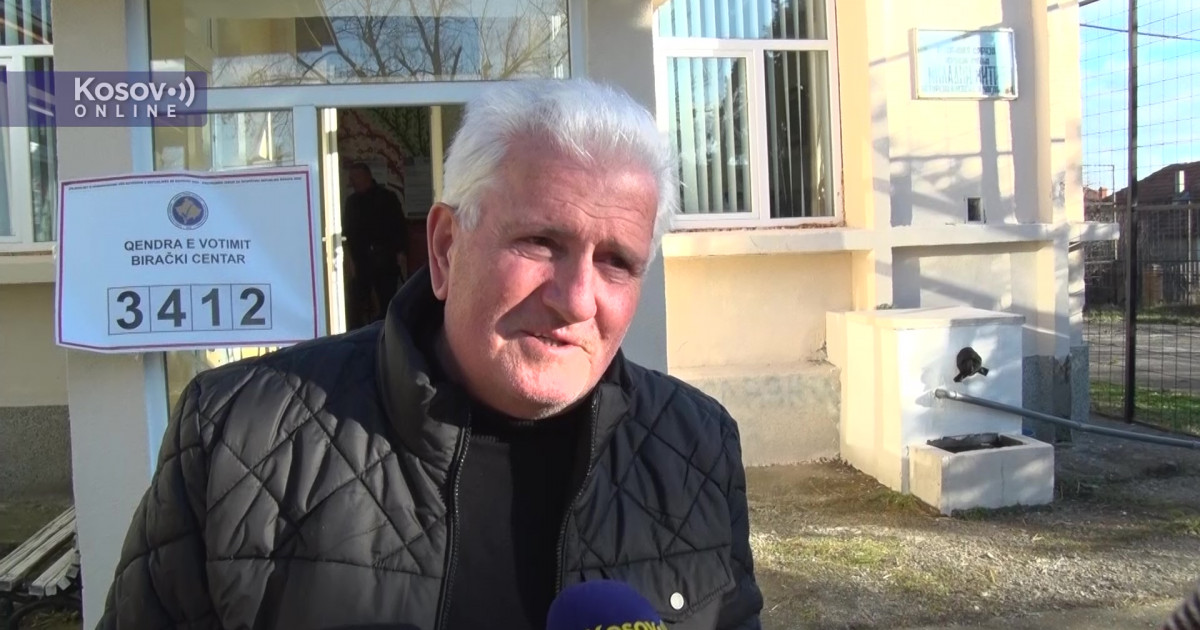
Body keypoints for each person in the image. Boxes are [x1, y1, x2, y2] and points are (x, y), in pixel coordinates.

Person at [97, 78, 763, 630]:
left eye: (616, 260)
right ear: (445, 247)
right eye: (539, 242)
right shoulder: (238, 434)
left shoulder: (696, 447)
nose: (577, 299)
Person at [342, 161, 409, 327]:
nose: (352, 182)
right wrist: (350, 261)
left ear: (367, 176)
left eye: (355, 177)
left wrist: (401, 254)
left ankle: (386, 332)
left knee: (387, 301)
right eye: (351, 178)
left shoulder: (387, 197)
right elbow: (347, 233)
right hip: (361, 261)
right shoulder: (351, 202)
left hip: (385, 259)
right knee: (358, 303)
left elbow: (399, 227)